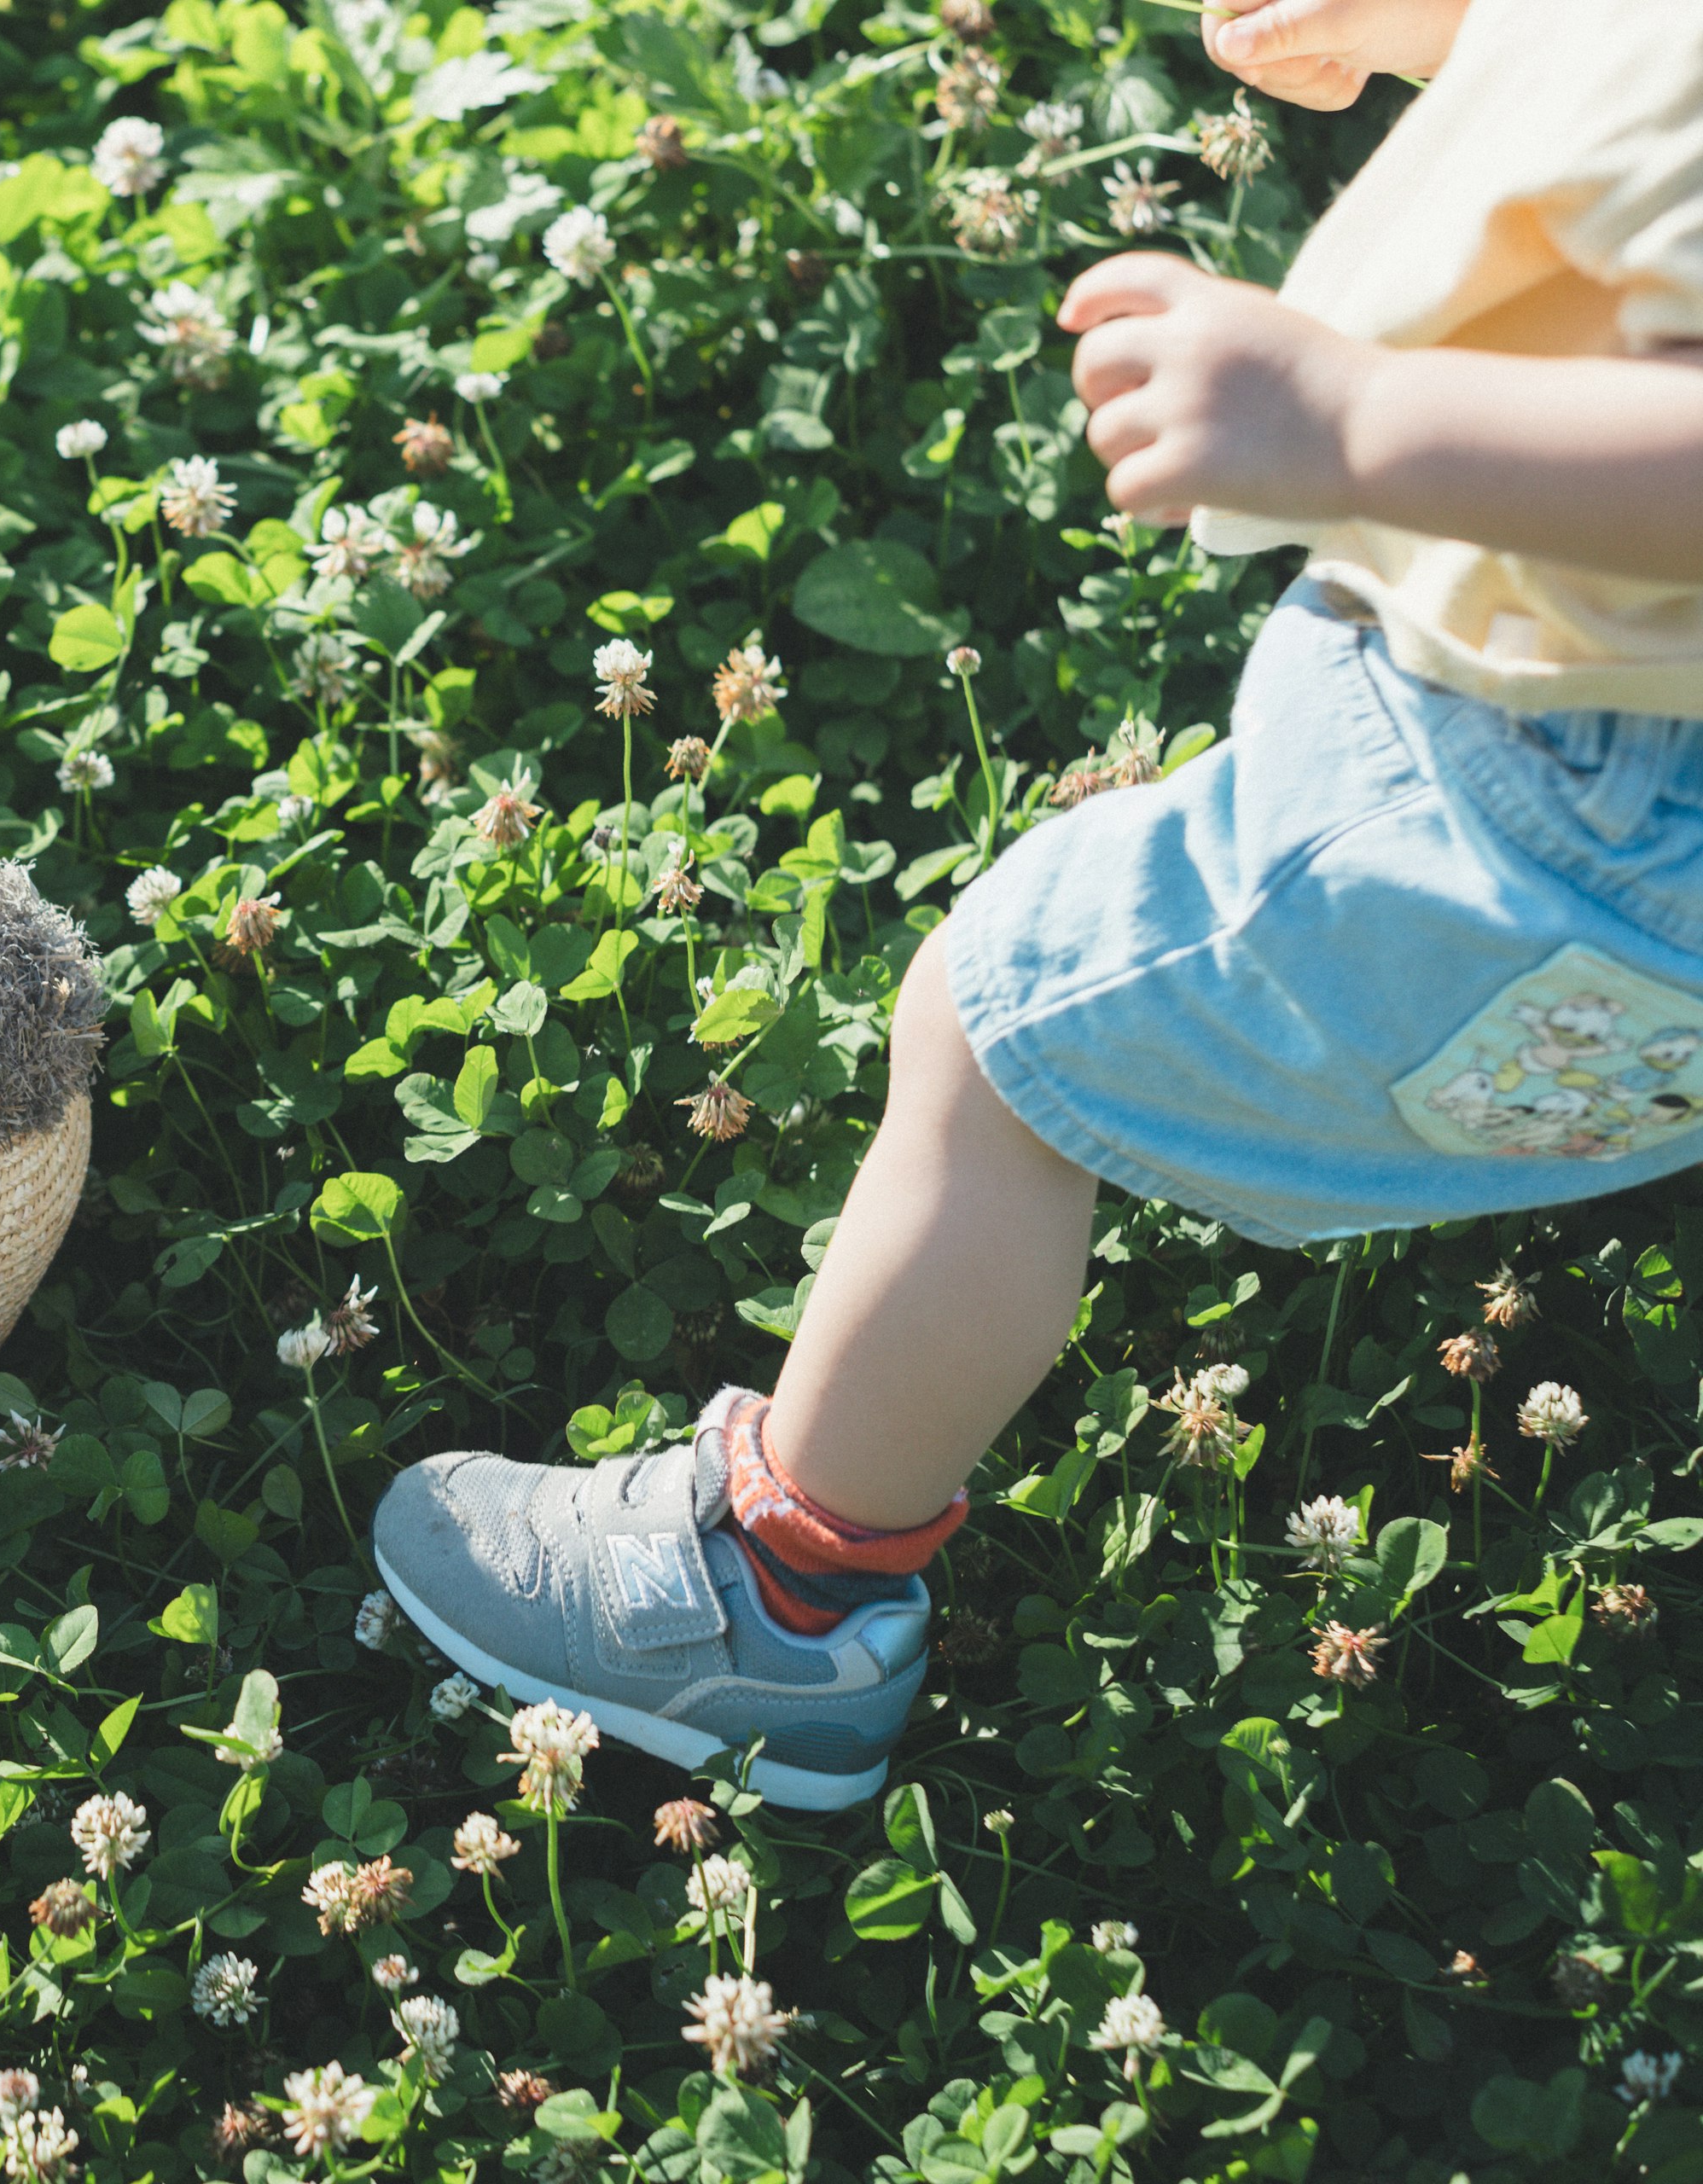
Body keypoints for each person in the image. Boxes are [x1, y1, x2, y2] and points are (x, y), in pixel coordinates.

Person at [375, 0, 1703, 1808]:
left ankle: (783, 1592)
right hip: (1586, 756)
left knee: (997, 1033)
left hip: (1556, 809)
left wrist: (1364, 420)